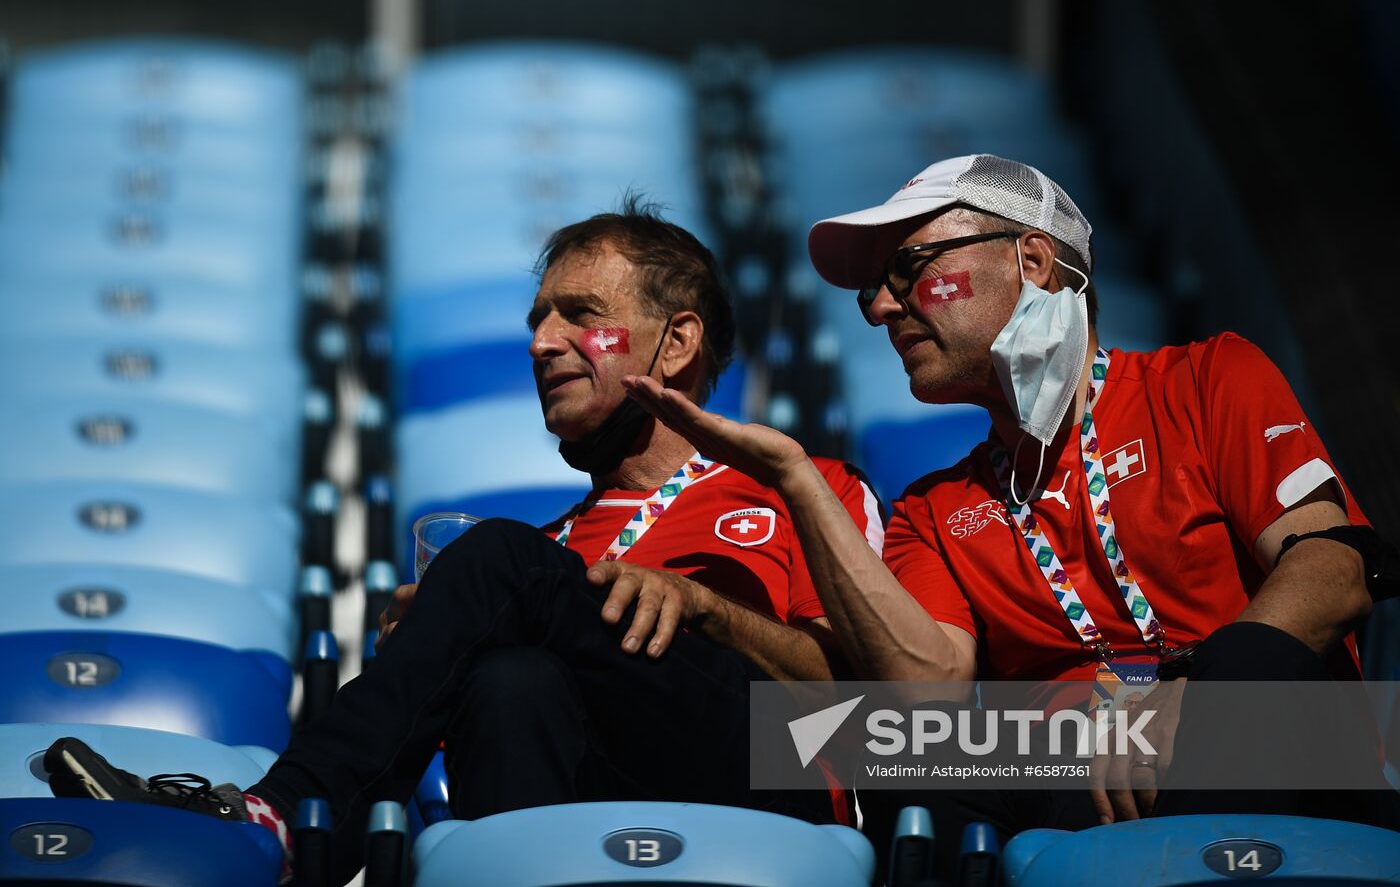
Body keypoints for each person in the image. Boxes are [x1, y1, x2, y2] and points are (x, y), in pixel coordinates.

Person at [44, 199, 884, 885]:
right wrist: (436, 639)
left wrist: (707, 611)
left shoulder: (805, 488)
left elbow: (869, 717)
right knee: (506, 677)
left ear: (678, 341)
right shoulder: (556, 550)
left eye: (580, 316)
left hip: (779, 787)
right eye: (538, 319)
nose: (540, 342)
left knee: (494, 557)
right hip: (592, 818)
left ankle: (290, 817)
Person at [620, 154, 1400, 875]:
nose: (880, 308)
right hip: (1081, 775)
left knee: (1252, 664)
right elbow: (923, 700)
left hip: (1281, 750)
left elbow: (1332, 571)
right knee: (862, 735)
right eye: (873, 289)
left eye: (910, 269)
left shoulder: (1207, 378)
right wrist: (795, 475)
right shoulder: (932, 508)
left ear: (1029, 262)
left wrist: (1192, 695)